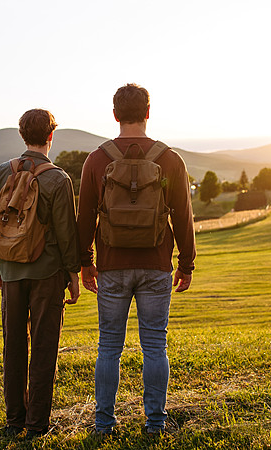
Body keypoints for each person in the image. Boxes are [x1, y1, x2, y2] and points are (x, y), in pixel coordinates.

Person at [77, 84, 196, 435]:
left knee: (109, 345)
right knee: (155, 345)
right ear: (148, 113)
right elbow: (184, 218)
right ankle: (155, 422)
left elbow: (85, 217)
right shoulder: (169, 159)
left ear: (115, 115)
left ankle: (103, 423)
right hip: (157, 263)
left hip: (111, 265)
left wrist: (86, 261)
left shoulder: (97, 159)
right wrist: (186, 264)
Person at [0, 109, 81, 439]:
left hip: (10, 270)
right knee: (43, 347)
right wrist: (73, 273)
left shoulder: (2, 172)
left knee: (13, 345)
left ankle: (14, 422)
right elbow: (67, 232)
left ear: (22, 135)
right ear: (51, 136)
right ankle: (37, 424)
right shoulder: (58, 179)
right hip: (48, 272)